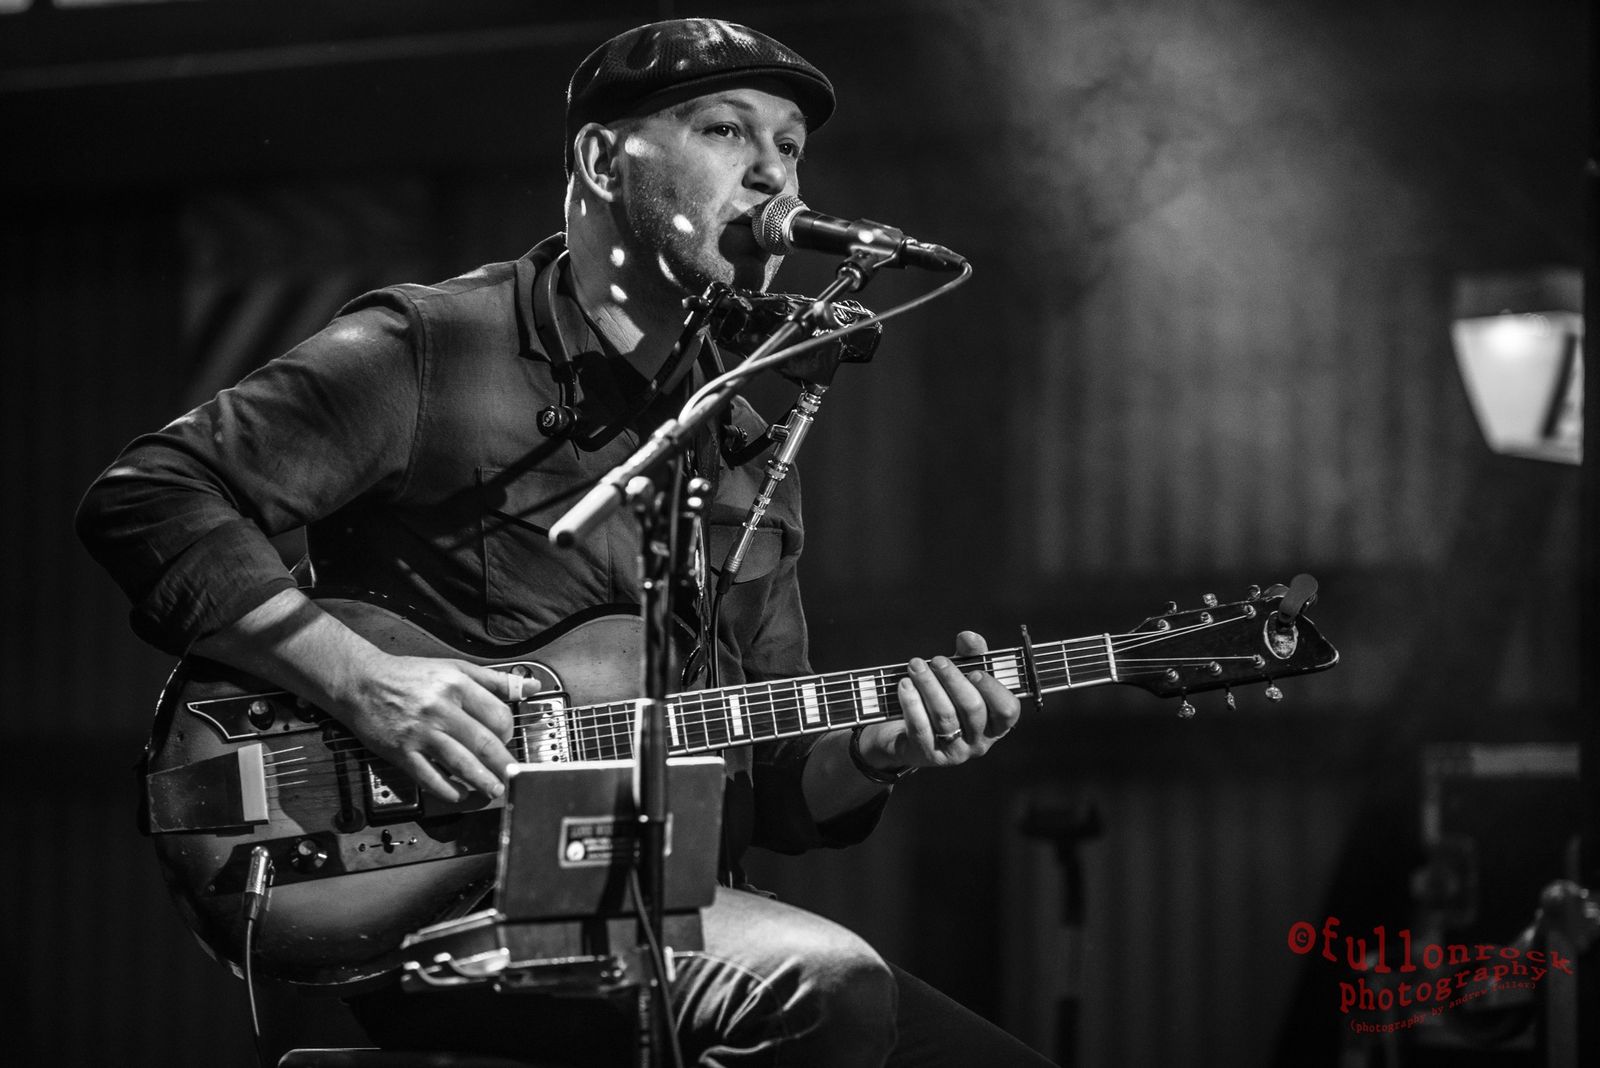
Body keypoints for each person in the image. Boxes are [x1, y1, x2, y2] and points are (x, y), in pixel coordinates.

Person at [77, 17, 1055, 1067]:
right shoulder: (438, 346)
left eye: (789, 146)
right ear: (600, 158)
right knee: (825, 988)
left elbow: (767, 782)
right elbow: (148, 496)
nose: (774, 173)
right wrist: (364, 682)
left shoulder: (745, 440)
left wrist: (877, 750)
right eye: (727, 130)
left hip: (665, 903)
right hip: (448, 905)